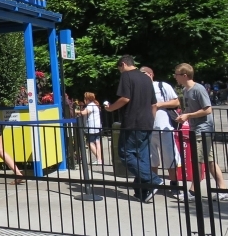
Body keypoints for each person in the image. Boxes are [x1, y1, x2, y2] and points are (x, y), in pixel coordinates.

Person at [105, 55, 160, 203]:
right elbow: (154, 104)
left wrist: (110, 108)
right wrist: (151, 121)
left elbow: (125, 98)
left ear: (123, 64)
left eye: (119, 68)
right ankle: (143, 191)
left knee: (125, 153)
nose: (120, 71)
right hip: (147, 122)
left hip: (133, 122)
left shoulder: (126, 76)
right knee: (142, 157)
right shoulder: (147, 78)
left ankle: (153, 179)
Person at [174, 63, 228, 201]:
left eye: (177, 74)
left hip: (203, 130)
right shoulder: (186, 90)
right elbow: (190, 110)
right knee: (209, 160)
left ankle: (193, 192)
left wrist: (188, 116)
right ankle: (223, 190)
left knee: (197, 161)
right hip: (196, 129)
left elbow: (208, 109)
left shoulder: (198, 89)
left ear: (185, 75)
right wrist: (184, 116)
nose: (175, 77)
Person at [141, 66, 184, 199]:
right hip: (147, 129)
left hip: (164, 128)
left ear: (151, 74)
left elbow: (176, 101)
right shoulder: (139, 88)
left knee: (170, 158)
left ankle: (174, 185)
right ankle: (153, 185)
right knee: (151, 160)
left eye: (145, 73)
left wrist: (159, 104)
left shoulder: (162, 86)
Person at [74, 92, 103, 164]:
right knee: (97, 142)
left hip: (92, 127)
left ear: (87, 99)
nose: (84, 100)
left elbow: (84, 113)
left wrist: (75, 111)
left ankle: (99, 159)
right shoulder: (95, 104)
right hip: (97, 126)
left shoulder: (90, 105)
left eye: (85, 98)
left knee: (89, 142)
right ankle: (99, 159)